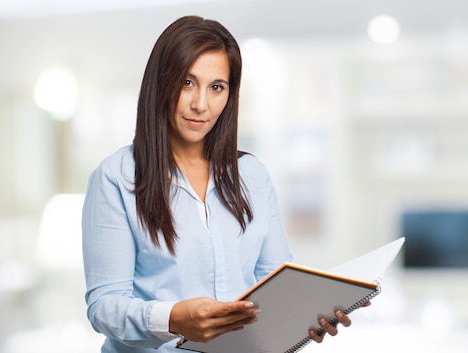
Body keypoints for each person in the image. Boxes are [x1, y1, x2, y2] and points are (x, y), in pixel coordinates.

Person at [82, 15, 364, 353]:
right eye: (187, 83)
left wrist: (304, 317)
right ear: (161, 83)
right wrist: (172, 318)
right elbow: (104, 306)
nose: (201, 104)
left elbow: (274, 285)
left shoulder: (252, 176)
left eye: (217, 87)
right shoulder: (117, 177)